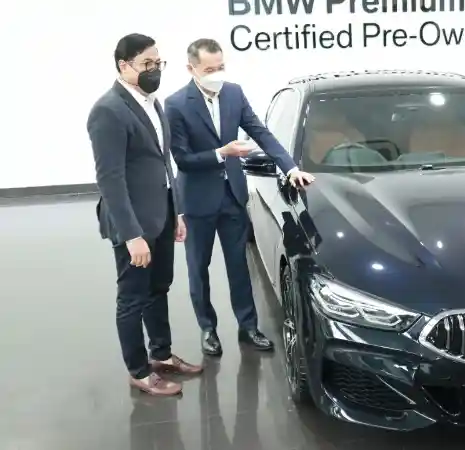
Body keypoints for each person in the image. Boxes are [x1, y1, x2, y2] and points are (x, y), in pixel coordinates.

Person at [165, 38, 315, 356]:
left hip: (232, 195)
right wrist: (222, 153)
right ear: (191, 69)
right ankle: (208, 329)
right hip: (197, 200)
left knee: (240, 266)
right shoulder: (176, 104)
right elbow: (182, 159)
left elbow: (260, 132)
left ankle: (248, 327)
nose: (217, 74)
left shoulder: (234, 93)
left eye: (220, 67)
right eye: (209, 69)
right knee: (198, 268)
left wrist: (290, 168)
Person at [87, 33, 202, 396]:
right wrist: (132, 234)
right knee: (133, 298)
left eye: (158, 63)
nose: (155, 70)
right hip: (133, 223)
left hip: (162, 214)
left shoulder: (153, 103)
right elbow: (110, 179)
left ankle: (161, 354)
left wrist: (176, 212)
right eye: (146, 64)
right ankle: (138, 371)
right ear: (124, 66)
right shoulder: (108, 110)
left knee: (158, 288)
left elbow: (163, 163)